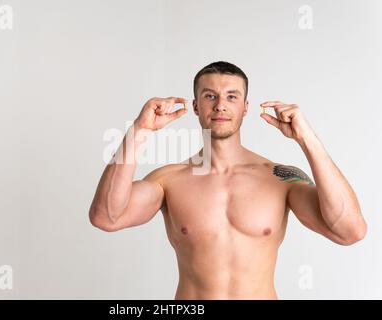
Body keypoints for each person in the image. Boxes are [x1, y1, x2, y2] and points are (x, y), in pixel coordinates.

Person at [89, 61, 367, 299]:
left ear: (245, 107)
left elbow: (350, 231)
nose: (221, 105)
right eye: (210, 96)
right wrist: (140, 130)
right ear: (196, 106)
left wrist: (307, 139)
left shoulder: (281, 178)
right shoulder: (169, 180)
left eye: (232, 97)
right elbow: (106, 217)